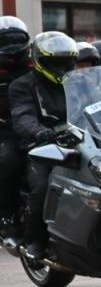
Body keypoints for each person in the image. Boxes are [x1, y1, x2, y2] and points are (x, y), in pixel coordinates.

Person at [10, 32, 77, 260]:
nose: (62, 68)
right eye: (55, 62)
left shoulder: (77, 82)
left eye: (66, 62)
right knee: (42, 186)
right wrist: (39, 131)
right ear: (40, 61)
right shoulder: (22, 86)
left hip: (78, 143)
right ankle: (34, 240)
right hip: (42, 148)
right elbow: (22, 116)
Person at [0, 16, 31, 242]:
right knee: (8, 160)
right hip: (6, 131)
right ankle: (7, 216)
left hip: (35, 126)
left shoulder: (37, 66)